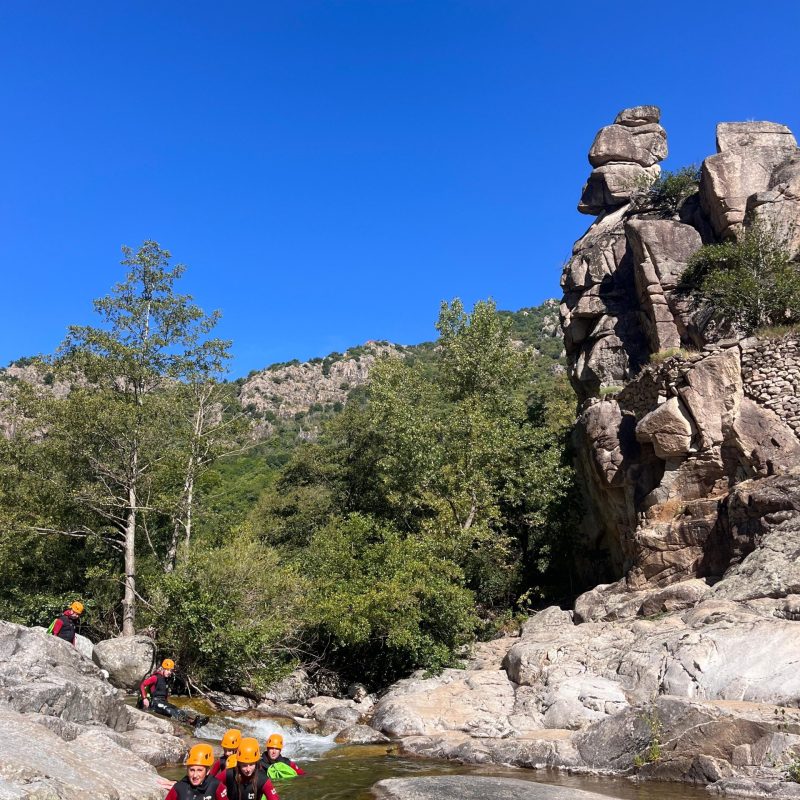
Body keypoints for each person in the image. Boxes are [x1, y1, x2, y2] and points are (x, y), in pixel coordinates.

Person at [139, 658, 209, 728]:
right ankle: (190, 723)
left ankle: (194, 722)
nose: (169, 672)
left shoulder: (166, 679)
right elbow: (142, 685)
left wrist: (167, 702)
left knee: (177, 709)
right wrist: (144, 699)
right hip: (155, 703)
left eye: (170, 670)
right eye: (167, 670)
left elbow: (165, 694)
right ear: (163, 669)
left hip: (162, 702)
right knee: (169, 709)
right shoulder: (155, 677)